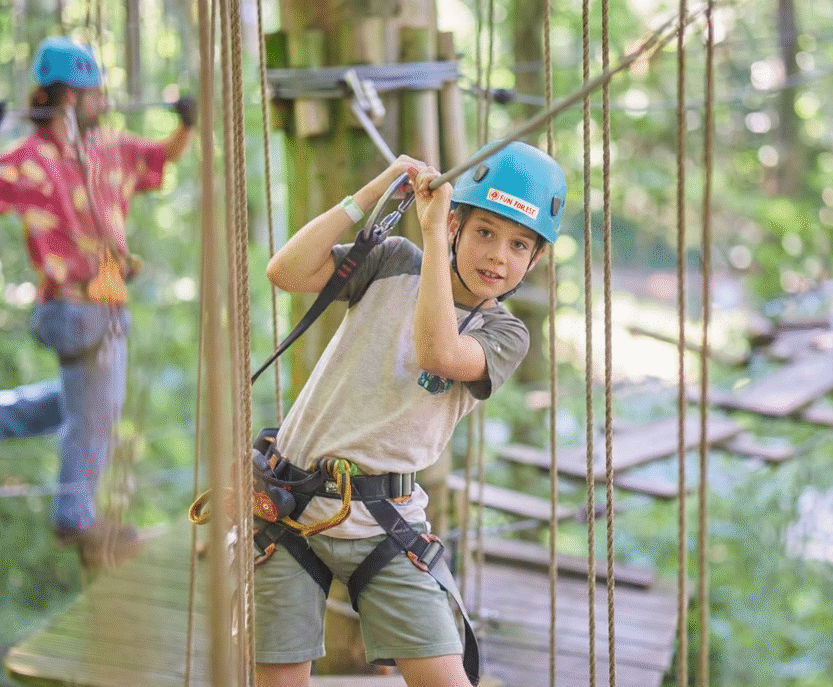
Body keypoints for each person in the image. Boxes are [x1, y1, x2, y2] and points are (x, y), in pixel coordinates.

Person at [254, 141, 566, 687]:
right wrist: (375, 192)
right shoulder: (391, 260)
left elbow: (438, 353)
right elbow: (285, 270)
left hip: (386, 521)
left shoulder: (505, 334)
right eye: (485, 232)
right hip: (291, 505)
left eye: (519, 245)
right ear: (456, 227)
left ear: (534, 260)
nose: (497, 255)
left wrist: (430, 231)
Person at [0, 36, 195, 568]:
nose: (104, 103)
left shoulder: (107, 147)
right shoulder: (31, 160)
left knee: (76, 404)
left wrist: (186, 124)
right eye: (94, 95)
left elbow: (159, 158)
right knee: (97, 411)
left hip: (95, 308)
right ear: (67, 99)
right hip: (75, 309)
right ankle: (76, 516)